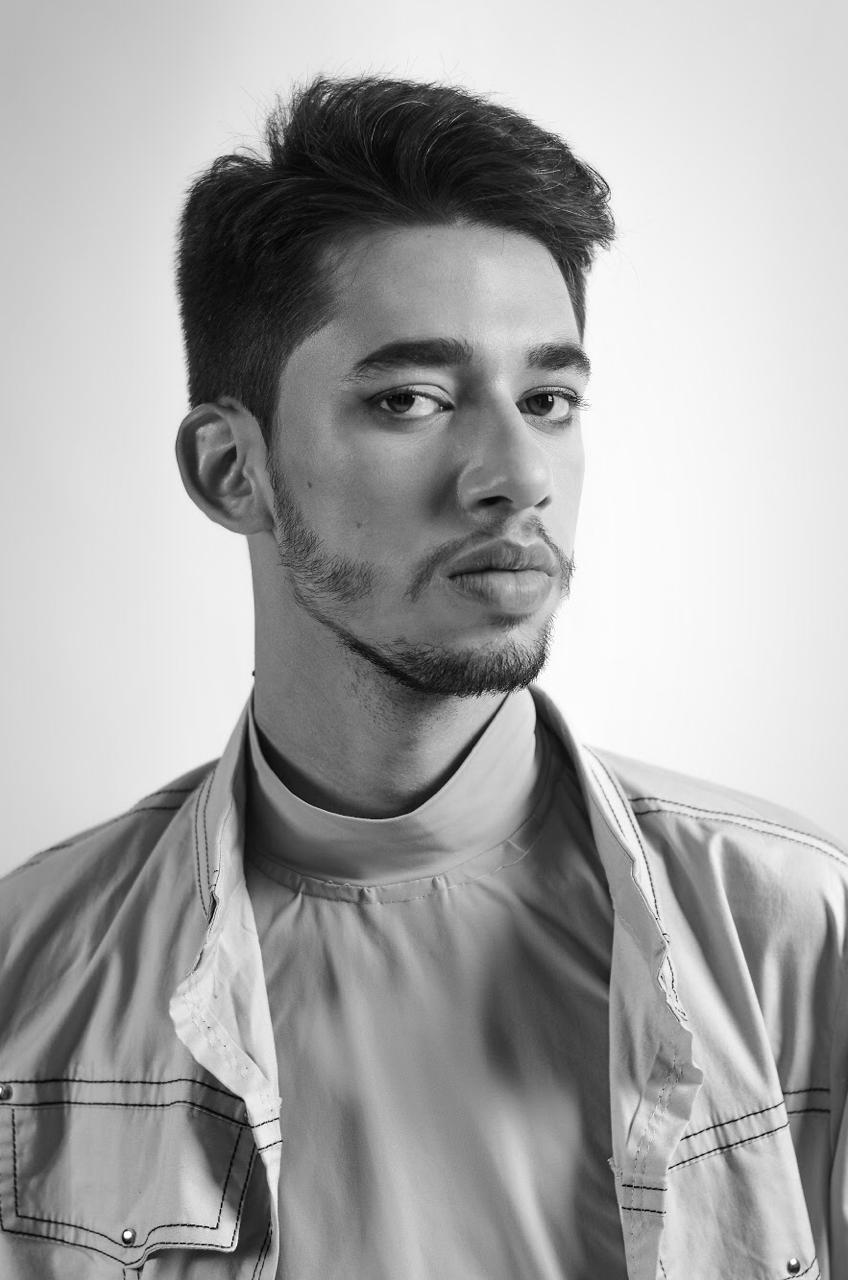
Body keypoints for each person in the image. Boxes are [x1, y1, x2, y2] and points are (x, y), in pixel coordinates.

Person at [0, 74, 845, 1280]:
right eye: (409, 400)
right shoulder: (29, 970)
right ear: (232, 469)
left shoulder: (793, 931)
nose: (516, 473)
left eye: (546, 398)